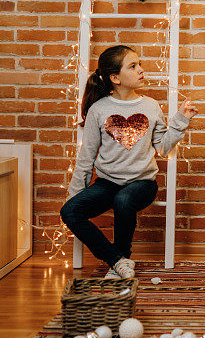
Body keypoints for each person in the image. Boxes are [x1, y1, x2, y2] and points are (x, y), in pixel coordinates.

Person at [60, 44, 197, 278]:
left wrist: (181, 120)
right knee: (69, 211)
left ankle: (122, 255)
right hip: (107, 183)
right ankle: (118, 261)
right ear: (115, 78)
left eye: (140, 64)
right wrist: (77, 196)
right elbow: (86, 158)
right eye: (133, 66)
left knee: (124, 200)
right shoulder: (99, 110)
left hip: (141, 183)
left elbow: (163, 148)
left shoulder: (151, 106)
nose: (140, 70)